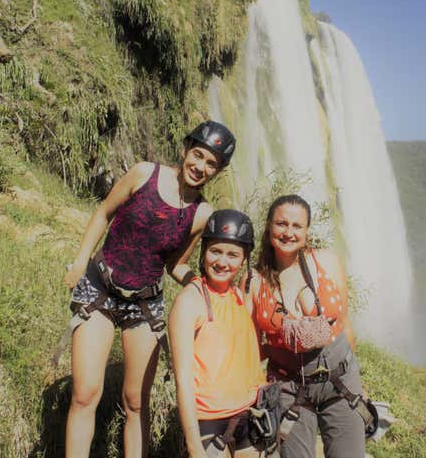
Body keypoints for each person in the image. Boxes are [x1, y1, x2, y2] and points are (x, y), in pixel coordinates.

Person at [60, 121, 235, 458]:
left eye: (211, 163)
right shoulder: (143, 174)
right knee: (85, 394)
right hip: (99, 289)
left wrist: (197, 282)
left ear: (218, 171)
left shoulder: (202, 214)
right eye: (198, 155)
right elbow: (103, 213)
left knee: (136, 403)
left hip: (143, 304)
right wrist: (81, 260)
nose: (200, 167)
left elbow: (176, 264)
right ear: (185, 150)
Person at [247, 194, 370, 458]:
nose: (288, 232)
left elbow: (345, 323)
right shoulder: (255, 281)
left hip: (341, 382)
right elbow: (252, 346)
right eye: (281, 223)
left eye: (297, 226)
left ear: (307, 231)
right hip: (289, 388)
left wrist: (357, 380)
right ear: (269, 226)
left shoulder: (326, 261)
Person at [169, 209, 266, 458]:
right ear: (203, 252)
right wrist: (194, 446)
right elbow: (183, 379)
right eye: (215, 251)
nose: (222, 262)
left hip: (249, 413)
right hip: (209, 420)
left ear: (244, 261)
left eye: (233, 255)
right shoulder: (190, 300)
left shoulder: (241, 292)